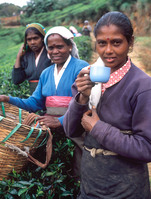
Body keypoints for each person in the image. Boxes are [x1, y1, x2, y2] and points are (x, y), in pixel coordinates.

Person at [63, 11, 151, 198]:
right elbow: (71, 131)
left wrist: (97, 128)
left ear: (131, 43)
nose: (108, 50)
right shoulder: (87, 77)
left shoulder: (142, 86)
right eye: (102, 43)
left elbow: (146, 148)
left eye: (116, 42)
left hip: (127, 188)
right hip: (91, 184)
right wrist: (81, 99)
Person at [0, 26, 89, 178]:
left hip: (75, 128)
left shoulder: (81, 67)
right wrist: (8, 99)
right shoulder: (46, 73)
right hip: (51, 129)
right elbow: (34, 103)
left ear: (69, 46)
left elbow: (86, 104)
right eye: (51, 47)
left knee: (78, 171)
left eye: (60, 46)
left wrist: (60, 120)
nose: (55, 51)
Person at [12, 23, 51, 94]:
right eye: (29, 39)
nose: (32, 42)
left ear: (42, 38)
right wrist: (18, 56)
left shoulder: (50, 53)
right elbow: (16, 80)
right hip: (34, 97)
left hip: (50, 94)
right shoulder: (27, 56)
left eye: (35, 38)